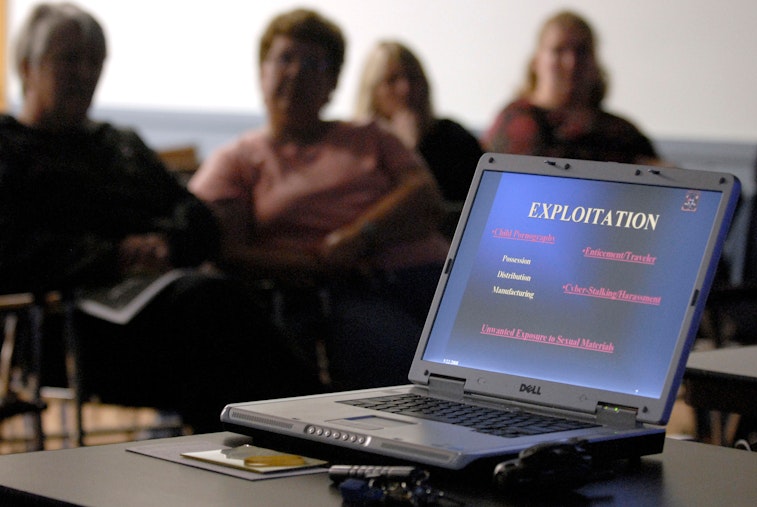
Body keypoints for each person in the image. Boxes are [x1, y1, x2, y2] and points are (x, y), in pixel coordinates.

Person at [0, 2, 319, 433]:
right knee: (215, 315)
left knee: (224, 324)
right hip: (66, 329)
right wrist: (114, 255)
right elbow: (11, 249)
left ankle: (283, 437)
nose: (85, 72)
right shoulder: (9, 150)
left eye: (95, 60)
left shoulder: (119, 145)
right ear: (26, 66)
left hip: (163, 312)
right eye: (70, 58)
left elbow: (199, 219)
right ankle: (309, 428)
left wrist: (164, 244)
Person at [189, 9, 450, 391]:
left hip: (437, 277)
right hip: (344, 292)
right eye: (285, 59)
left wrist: (358, 236)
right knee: (422, 372)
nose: (296, 72)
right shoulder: (237, 160)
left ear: (332, 83)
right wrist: (315, 264)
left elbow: (425, 196)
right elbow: (221, 247)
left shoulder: (371, 136)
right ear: (262, 72)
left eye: (313, 63)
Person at [481, 10, 659, 165]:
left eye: (582, 51)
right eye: (558, 50)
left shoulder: (621, 132)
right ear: (536, 61)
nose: (571, 63)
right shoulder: (515, 122)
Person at [354, 40, 483, 203]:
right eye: (392, 80)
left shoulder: (453, 137)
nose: (405, 88)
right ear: (372, 91)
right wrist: (404, 149)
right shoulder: (358, 146)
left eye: (413, 78)